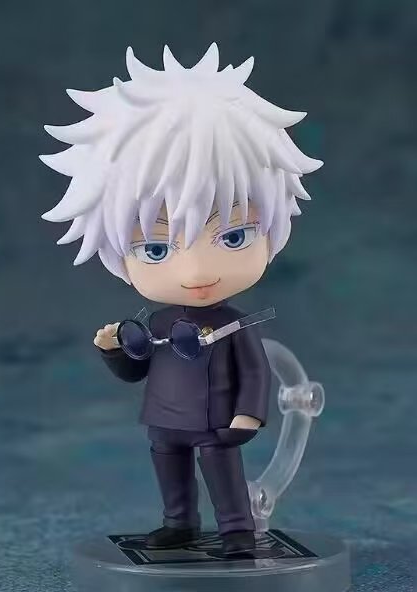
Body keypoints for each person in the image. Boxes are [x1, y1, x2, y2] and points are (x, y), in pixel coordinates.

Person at [40, 43, 322, 554]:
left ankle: (236, 530)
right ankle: (180, 524)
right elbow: (138, 369)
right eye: (156, 248)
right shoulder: (157, 320)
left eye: (232, 236)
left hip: (216, 422)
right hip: (164, 419)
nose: (195, 272)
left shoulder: (237, 323)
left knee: (221, 472)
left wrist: (249, 414)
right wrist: (114, 350)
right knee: (169, 471)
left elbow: (255, 371)